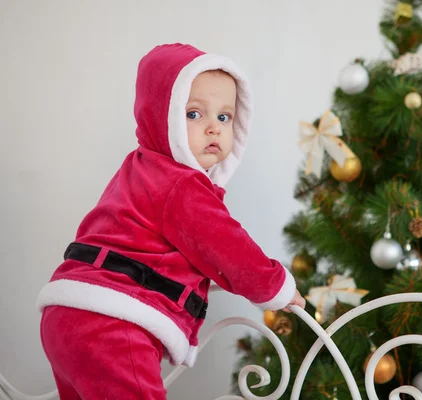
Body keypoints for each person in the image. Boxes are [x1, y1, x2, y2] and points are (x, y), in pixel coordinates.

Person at [36, 43, 305, 399]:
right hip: (113, 323)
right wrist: (276, 287)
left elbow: (147, 247)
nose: (213, 129)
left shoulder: (139, 169)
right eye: (194, 114)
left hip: (66, 314)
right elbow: (228, 246)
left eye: (224, 117)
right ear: (160, 117)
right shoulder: (181, 183)